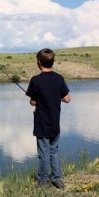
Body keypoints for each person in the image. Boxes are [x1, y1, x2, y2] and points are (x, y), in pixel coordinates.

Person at [26, 48, 70, 189]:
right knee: (54, 151)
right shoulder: (59, 78)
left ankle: (43, 180)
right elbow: (67, 99)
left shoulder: (35, 80)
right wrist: (55, 97)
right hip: (55, 124)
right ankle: (57, 179)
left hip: (42, 124)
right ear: (52, 62)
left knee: (43, 153)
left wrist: (37, 100)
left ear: (39, 63)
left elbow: (33, 101)